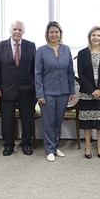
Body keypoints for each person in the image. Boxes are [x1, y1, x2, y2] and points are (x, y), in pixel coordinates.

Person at [0, 21, 37, 156]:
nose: (17, 32)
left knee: (27, 119)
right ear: (10, 30)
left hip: (27, 89)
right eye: (15, 29)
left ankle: (26, 144)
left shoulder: (31, 46)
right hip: (6, 90)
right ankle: (8, 145)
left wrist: (35, 88)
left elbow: (35, 69)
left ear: (24, 31)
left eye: (20, 30)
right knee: (7, 119)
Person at [35, 22, 76, 162]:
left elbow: (70, 71)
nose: (54, 34)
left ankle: (56, 146)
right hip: (47, 93)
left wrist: (72, 90)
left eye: (56, 32)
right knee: (48, 122)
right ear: (47, 34)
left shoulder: (66, 49)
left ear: (60, 34)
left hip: (63, 92)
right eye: (51, 32)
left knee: (58, 121)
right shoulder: (41, 50)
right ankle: (49, 149)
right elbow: (38, 73)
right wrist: (40, 94)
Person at [76, 26, 100, 159]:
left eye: (98, 35)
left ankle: (99, 146)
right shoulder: (82, 53)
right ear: (89, 37)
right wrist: (92, 90)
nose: (96, 38)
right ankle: (87, 145)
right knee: (87, 121)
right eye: (94, 35)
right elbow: (81, 73)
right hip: (87, 93)